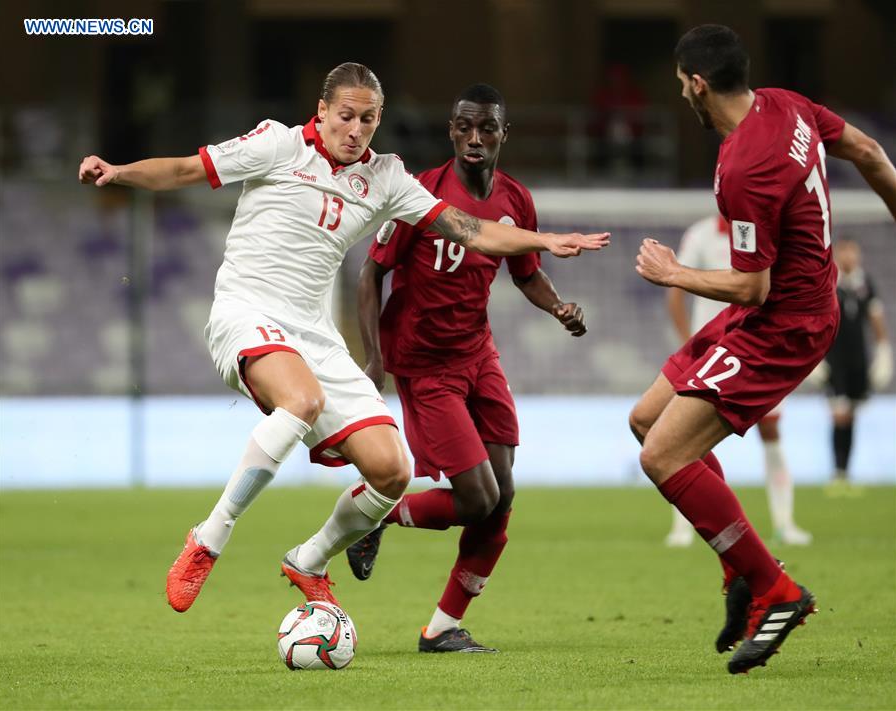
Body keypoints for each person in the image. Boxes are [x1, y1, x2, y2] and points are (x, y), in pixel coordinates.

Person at [78, 63, 610, 615]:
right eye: (347, 116)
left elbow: (470, 229)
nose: (356, 130)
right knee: (302, 401)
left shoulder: (386, 178)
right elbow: (188, 170)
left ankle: (308, 560)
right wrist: (118, 173)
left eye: (369, 119)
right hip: (247, 310)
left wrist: (546, 239)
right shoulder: (276, 145)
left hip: (314, 333)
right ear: (323, 110)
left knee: (391, 473)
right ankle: (209, 538)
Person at [630, 25, 896, 674]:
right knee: (645, 420)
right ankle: (740, 573)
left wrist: (674, 275)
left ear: (696, 83)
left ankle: (776, 588)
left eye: (679, 84)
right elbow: (867, 150)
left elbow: (753, 283)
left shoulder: (743, 164)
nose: (682, 95)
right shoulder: (787, 104)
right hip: (768, 311)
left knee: (662, 455)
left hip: (786, 323)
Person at [346, 84, 588, 653]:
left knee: (501, 501)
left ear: (504, 134)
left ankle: (442, 628)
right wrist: (374, 359)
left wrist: (558, 307)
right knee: (477, 500)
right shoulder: (421, 194)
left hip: (478, 353)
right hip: (425, 364)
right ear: (452, 130)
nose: (475, 139)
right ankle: (377, 513)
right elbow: (368, 275)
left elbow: (525, 272)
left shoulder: (516, 200)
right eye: (464, 127)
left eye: (487, 129)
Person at [665, 215, 812, 546]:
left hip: (758, 349)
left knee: (771, 430)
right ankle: (683, 526)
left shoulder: (763, 232)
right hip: (712, 352)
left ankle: (785, 523)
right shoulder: (701, 234)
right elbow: (675, 294)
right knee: (683, 435)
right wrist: (688, 343)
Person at [813, 237, 892, 493]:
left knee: (851, 415)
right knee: (839, 414)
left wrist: (883, 351)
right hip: (834, 359)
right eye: (845, 252)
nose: (850, 257)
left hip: (858, 359)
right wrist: (814, 357)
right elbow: (815, 319)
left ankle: (845, 473)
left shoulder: (865, 283)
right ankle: (837, 473)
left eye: (853, 252)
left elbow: (875, 317)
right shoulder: (828, 282)